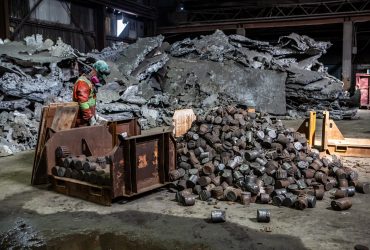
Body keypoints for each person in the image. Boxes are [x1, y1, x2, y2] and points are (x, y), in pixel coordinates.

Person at [73, 60, 110, 126]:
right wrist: (90, 118)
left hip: (88, 118)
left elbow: (91, 100)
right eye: (100, 75)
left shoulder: (90, 82)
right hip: (82, 120)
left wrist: (95, 115)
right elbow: (83, 103)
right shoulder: (83, 83)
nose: (100, 78)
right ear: (95, 71)